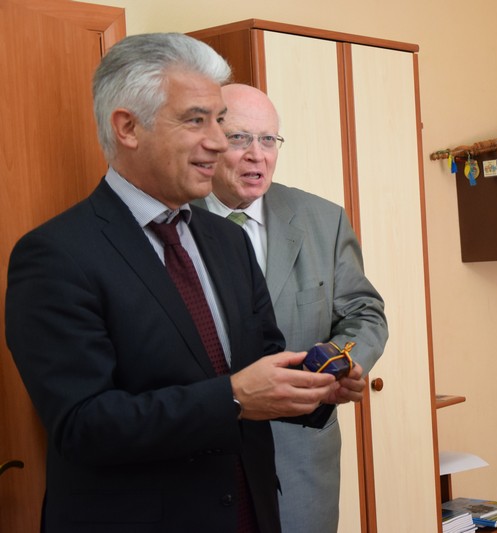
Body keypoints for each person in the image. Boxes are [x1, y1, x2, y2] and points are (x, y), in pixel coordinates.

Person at [4, 33, 351, 533]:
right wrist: (232, 399)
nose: (219, 141)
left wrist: (314, 386)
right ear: (128, 127)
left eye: (219, 120)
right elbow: (83, 424)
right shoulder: (56, 255)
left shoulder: (227, 240)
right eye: (195, 120)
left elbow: (261, 363)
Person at [193, 83, 388, 533]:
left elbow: (364, 311)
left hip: (300, 462)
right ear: (210, 141)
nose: (256, 155)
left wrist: (339, 362)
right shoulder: (176, 220)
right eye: (239, 138)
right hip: (204, 465)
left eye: (268, 140)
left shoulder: (323, 219)